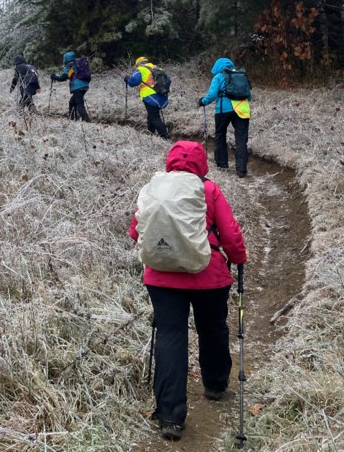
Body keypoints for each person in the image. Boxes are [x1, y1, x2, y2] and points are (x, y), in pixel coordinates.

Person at [129, 140, 248, 441]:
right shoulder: (208, 190)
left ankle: (169, 415)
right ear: (202, 164)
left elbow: (135, 231)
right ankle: (216, 386)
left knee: (171, 337)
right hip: (209, 275)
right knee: (212, 328)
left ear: (170, 162)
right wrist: (239, 258)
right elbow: (231, 233)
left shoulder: (153, 188)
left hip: (161, 277)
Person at [197, 57, 251, 177]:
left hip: (223, 109)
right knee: (241, 139)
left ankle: (222, 164)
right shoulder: (241, 75)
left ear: (217, 66)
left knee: (220, 134)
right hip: (242, 109)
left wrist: (202, 102)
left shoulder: (219, 77)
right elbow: (249, 95)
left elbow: (212, 95)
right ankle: (241, 170)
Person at [125, 56, 170, 139]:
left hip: (150, 96)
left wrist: (128, 80)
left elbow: (133, 82)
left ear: (138, 64)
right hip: (162, 95)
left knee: (154, 117)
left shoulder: (140, 69)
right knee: (151, 115)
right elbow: (168, 81)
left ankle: (165, 135)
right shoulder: (158, 68)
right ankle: (151, 133)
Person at [50, 51, 91, 122]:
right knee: (72, 102)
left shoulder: (69, 66)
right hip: (84, 86)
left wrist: (54, 77)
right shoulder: (78, 63)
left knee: (79, 105)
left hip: (77, 87)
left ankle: (87, 121)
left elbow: (62, 78)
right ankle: (73, 119)